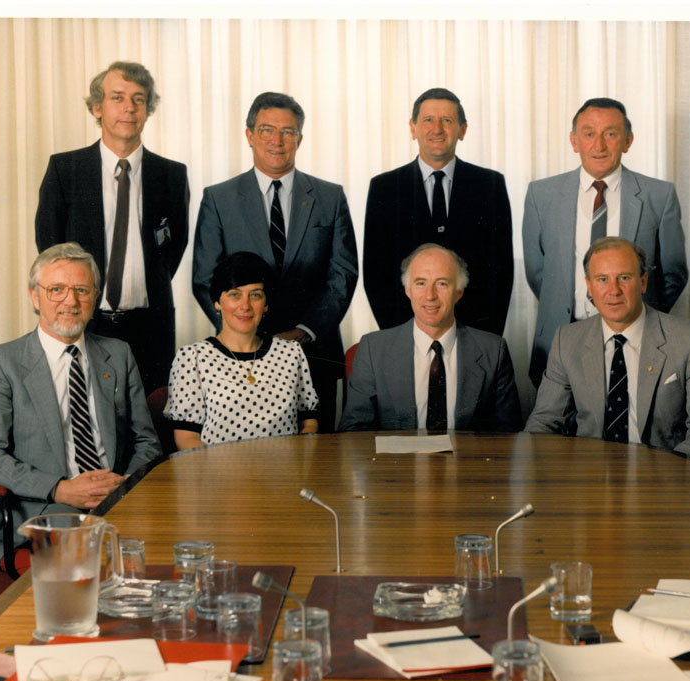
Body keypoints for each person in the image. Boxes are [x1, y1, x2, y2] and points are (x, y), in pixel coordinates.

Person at [0, 243, 162, 571]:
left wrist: (123, 484)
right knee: (95, 554)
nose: (70, 301)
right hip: (42, 505)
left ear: (94, 297)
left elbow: (146, 442)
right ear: (35, 296)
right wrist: (60, 488)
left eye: (81, 290)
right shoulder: (1, 362)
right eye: (56, 289)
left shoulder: (119, 354)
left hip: (118, 495)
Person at [193, 91, 357, 432]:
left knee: (317, 461)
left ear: (300, 138)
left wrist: (304, 332)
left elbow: (342, 275)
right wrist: (246, 334)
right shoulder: (219, 198)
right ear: (249, 135)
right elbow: (205, 278)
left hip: (314, 351)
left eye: (288, 131)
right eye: (267, 130)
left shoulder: (329, 197)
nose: (277, 140)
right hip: (239, 353)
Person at [35, 61, 189, 395]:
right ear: (96, 107)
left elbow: (172, 252)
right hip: (83, 323)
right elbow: (49, 253)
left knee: (150, 427)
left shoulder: (172, 176)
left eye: (138, 99)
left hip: (151, 327)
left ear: (148, 109)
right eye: (117, 97)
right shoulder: (66, 170)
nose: (129, 108)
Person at [523, 97, 687, 386]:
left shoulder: (658, 196)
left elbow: (672, 274)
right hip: (562, 335)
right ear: (574, 141)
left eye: (610, 134)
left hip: (635, 337)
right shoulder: (542, 194)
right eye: (588, 134)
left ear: (628, 140)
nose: (599, 145)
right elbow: (539, 274)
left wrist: (635, 319)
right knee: (555, 427)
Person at [525, 238, 690, 460]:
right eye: (602, 280)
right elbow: (544, 422)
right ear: (589, 286)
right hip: (590, 472)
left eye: (625, 278)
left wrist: (669, 474)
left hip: (664, 473)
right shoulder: (568, 340)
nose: (614, 290)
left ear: (643, 282)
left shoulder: (688, 338)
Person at [363, 88, 513, 335]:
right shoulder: (385, 188)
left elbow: (501, 271)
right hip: (405, 331)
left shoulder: (490, 185)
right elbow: (376, 273)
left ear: (463, 130)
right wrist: (399, 337)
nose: (437, 129)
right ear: (413, 128)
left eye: (447, 121)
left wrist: (485, 339)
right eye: (428, 120)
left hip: (474, 331)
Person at [339, 244, 522, 432]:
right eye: (420, 283)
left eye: (442, 283)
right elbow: (354, 430)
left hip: (466, 461)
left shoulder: (493, 350)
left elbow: (508, 434)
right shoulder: (373, 349)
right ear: (407, 290)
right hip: (398, 461)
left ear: (459, 292)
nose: (430, 295)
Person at [166, 253, 319, 450]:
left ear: (266, 304)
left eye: (255, 295)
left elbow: (309, 423)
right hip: (220, 475)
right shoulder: (192, 358)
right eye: (234, 295)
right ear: (217, 302)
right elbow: (186, 438)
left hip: (285, 474)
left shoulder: (291, 353)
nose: (245, 306)